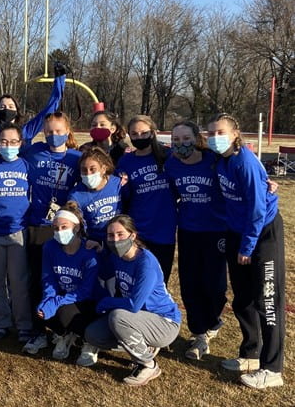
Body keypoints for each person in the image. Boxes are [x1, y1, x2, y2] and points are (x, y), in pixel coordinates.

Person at [207, 113, 285, 389]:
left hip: (262, 233)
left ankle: (272, 368)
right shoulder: (221, 160)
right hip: (236, 232)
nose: (215, 137)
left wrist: (248, 246)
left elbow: (256, 208)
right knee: (243, 298)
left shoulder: (245, 161)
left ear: (235, 133)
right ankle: (250, 353)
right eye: (211, 133)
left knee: (267, 301)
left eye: (221, 132)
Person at [84, 215, 181, 386]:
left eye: (120, 234)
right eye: (110, 235)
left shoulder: (146, 262)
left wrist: (106, 303)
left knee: (117, 317)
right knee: (93, 335)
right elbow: (105, 273)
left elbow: (134, 305)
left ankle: (149, 365)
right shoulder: (117, 256)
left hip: (164, 322)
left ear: (133, 235)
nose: (115, 239)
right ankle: (144, 345)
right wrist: (99, 251)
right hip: (138, 319)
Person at [164, 121, 227, 360]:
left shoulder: (214, 160)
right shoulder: (171, 164)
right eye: (176, 140)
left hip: (217, 231)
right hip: (189, 230)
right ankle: (199, 333)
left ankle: (213, 322)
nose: (181, 144)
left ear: (196, 138)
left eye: (186, 138)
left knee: (215, 285)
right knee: (190, 284)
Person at [21, 112, 81, 354]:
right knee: (37, 279)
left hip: (65, 228)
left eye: (58, 131)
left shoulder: (77, 158)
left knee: (64, 279)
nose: (53, 136)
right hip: (38, 225)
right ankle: (38, 331)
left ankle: (65, 329)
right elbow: (11, 156)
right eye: (48, 132)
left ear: (68, 130)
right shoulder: (34, 152)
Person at [0, 124, 33, 343]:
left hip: (18, 231)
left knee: (19, 282)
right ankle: (1, 323)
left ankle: (23, 325)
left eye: (13, 142)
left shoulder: (27, 166)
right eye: (4, 142)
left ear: (21, 144)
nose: (8, 146)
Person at [37, 203, 105, 366]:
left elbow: (86, 291)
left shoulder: (89, 252)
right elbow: (49, 279)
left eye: (64, 227)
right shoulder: (50, 247)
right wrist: (48, 299)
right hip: (65, 297)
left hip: (89, 301)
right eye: (55, 228)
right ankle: (65, 334)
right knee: (41, 307)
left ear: (76, 227)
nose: (59, 231)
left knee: (64, 312)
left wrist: (56, 302)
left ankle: (90, 342)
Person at [116, 115, 177, 284]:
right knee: (136, 280)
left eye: (144, 133)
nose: (140, 137)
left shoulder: (168, 155)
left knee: (159, 280)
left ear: (153, 132)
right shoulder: (126, 161)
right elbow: (125, 197)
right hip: (138, 231)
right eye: (134, 134)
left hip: (164, 230)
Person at [68, 146, 123, 247]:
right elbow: (75, 226)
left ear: (103, 168)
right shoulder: (76, 195)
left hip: (119, 240)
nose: (88, 174)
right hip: (95, 243)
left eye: (92, 169)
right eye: (84, 170)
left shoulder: (118, 184)